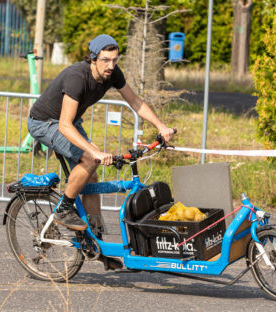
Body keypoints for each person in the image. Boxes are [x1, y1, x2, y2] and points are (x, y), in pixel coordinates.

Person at [27, 34, 174, 269]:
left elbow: (135, 102)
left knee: (91, 177)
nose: (111, 66)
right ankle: (64, 209)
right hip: (45, 122)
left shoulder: (113, 74)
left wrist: (161, 126)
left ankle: (95, 244)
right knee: (89, 158)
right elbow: (64, 125)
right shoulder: (77, 77)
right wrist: (95, 152)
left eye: (115, 60)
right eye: (105, 60)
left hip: (69, 123)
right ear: (94, 58)